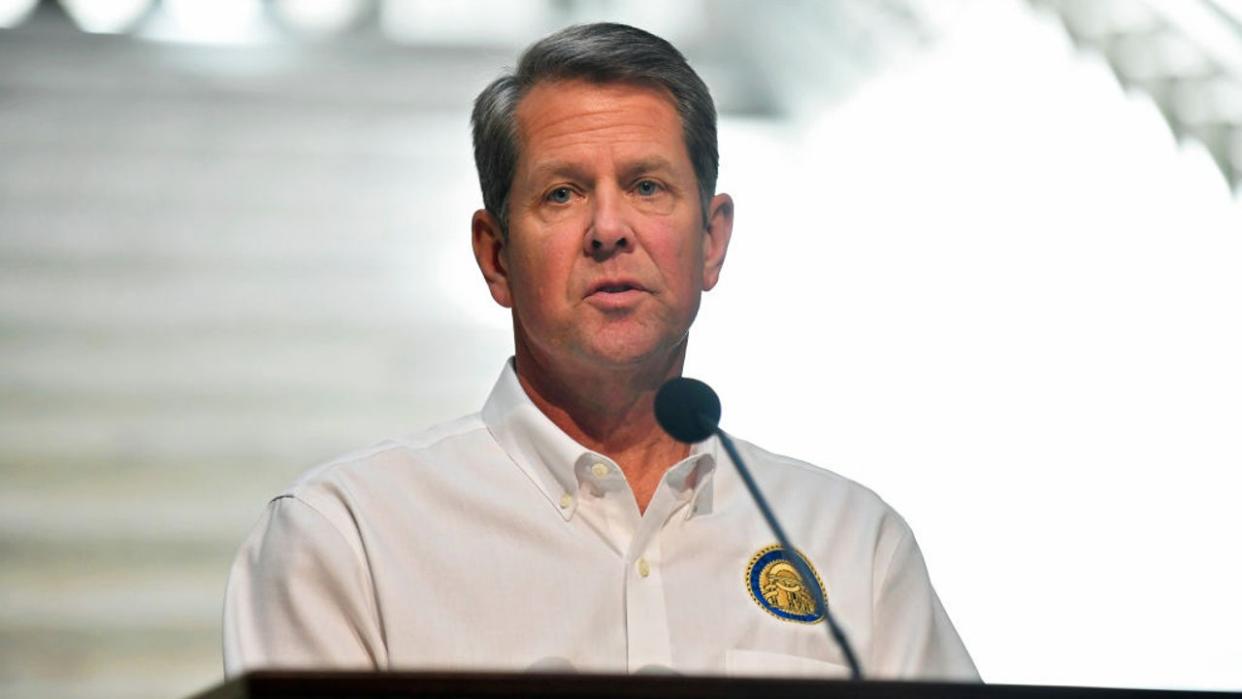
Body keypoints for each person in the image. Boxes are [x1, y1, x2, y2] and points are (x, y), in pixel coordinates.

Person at [222, 22, 978, 681]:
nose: (609, 227)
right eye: (563, 193)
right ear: (496, 256)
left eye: (648, 187)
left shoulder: (849, 543)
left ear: (712, 243)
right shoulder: (348, 538)